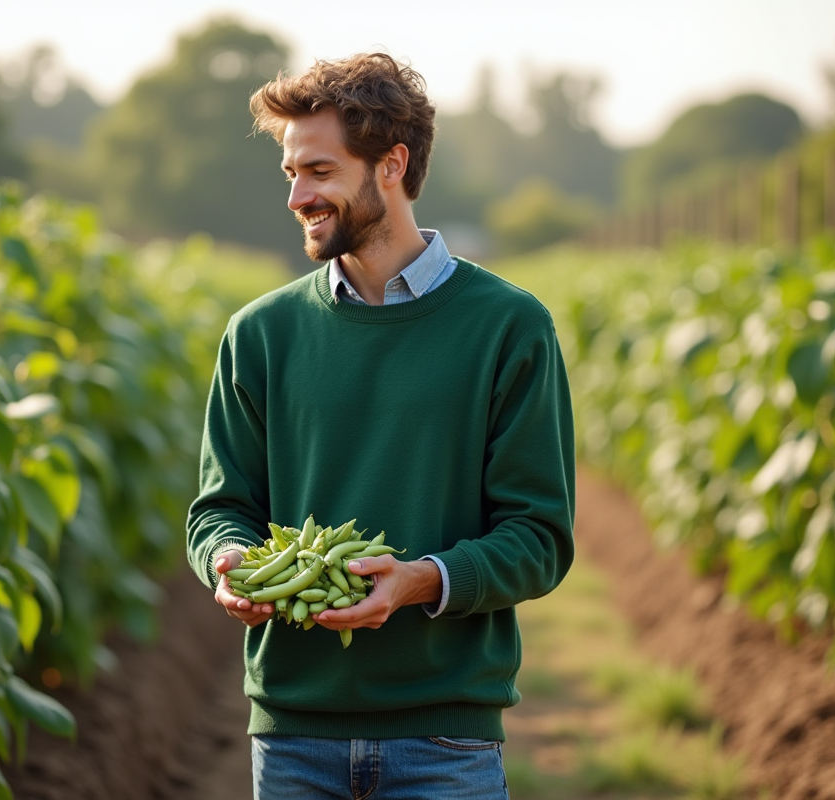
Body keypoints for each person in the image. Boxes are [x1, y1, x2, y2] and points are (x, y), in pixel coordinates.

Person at [186, 52, 575, 800]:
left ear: (392, 164)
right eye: (291, 173)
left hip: (446, 742)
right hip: (293, 739)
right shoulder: (260, 334)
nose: (298, 196)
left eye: (320, 171)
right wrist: (229, 562)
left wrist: (419, 581)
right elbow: (218, 510)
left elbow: (539, 537)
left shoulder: (508, 326)